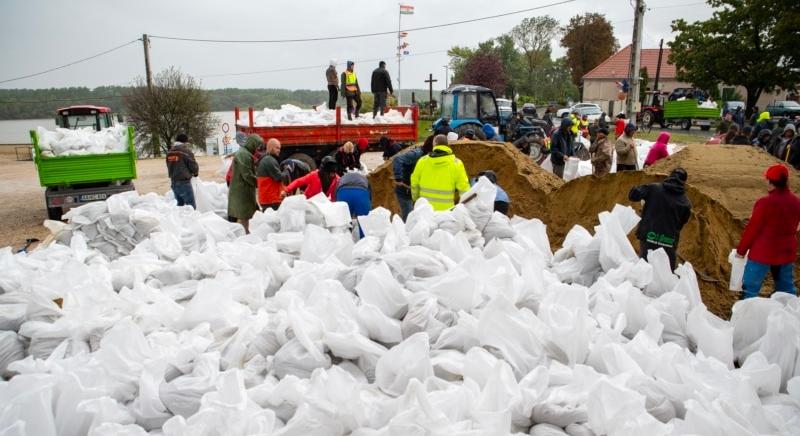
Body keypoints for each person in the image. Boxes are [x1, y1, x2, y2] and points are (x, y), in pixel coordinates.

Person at [736, 164, 800, 299]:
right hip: (786, 251)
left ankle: (746, 314)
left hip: (763, 251)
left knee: (750, 288)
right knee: (786, 289)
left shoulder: (764, 203)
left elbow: (752, 229)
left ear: (771, 183)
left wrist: (741, 251)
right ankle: (791, 313)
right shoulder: (796, 202)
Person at [629, 168, 692, 269]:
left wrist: (640, 192)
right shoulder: (685, 202)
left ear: (670, 176)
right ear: (684, 182)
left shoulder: (654, 188)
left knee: (645, 271)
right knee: (665, 274)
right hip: (668, 242)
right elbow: (681, 224)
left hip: (649, 237)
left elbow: (633, 196)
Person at [410, 134, 470, 211]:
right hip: (446, 211)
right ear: (447, 145)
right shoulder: (457, 163)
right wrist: (466, 207)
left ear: (434, 144)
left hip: (425, 210)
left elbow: (414, 183)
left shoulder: (422, 161)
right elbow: (464, 188)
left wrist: (416, 199)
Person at [393, 135, 434, 219]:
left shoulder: (427, 156)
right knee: (409, 218)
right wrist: (398, 178)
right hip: (405, 191)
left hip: (414, 191)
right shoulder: (417, 154)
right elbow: (397, 159)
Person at [228, 134, 262, 232]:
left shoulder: (245, 153)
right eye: (257, 145)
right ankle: (246, 235)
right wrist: (259, 183)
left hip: (243, 189)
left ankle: (247, 233)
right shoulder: (244, 155)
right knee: (245, 215)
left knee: (249, 213)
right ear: (252, 143)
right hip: (242, 190)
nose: (257, 148)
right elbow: (247, 174)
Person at [166, 133, 199, 209]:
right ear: (185, 142)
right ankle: (192, 220)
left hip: (173, 182)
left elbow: (169, 165)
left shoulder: (170, 152)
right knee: (190, 206)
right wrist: (195, 173)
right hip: (184, 183)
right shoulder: (185, 151)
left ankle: (179, 220)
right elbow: (193, 165)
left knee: (180, 205)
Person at [335, 170, 371, 238]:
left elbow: (336, 193)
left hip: (343, 192)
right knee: (364, 222)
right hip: (361, 193)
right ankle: (365, 244)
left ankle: (344, 243)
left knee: (344, 223)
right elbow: (370, 195)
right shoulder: (364, 178)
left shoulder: (342, 178)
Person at [255, 138, 287, 211]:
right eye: (277, 148)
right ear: (270, 147)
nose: (279, 150)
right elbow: (278, 178)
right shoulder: (269, 160)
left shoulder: (266, 159)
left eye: (279, 148)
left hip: (267, 199)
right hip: (271, 200)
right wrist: (286, 171)